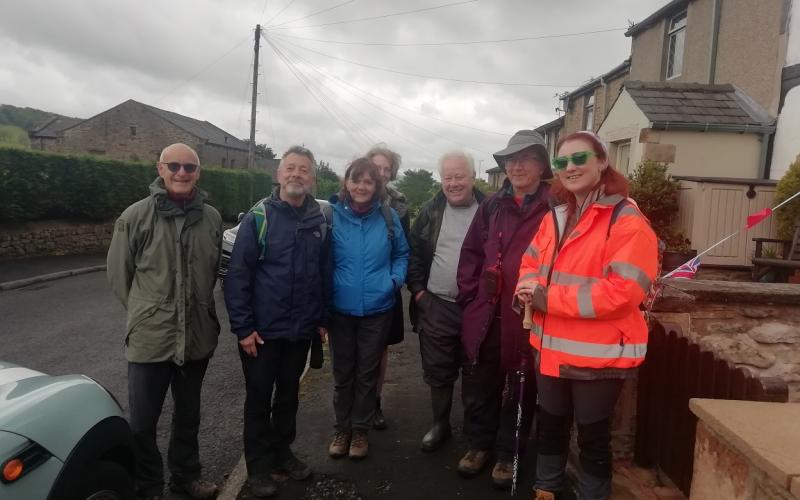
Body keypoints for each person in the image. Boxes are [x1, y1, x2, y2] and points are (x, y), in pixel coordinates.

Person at [515, 131, 658, 500]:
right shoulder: (557, 216)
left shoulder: (626, 220)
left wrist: (547, 299)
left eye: (580, 159)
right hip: (549, 348)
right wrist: (528, 287)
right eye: (562, 162)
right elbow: (530, 261)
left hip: (599, 354)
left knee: (593, 440)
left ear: (602, 161)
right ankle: (546, 490)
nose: (571, 168)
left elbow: (623, 292)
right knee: (550, 428)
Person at [107, 143, 222, 500]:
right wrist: (149, 312)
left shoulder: (213, 218)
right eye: (174, 166)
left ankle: (186, 477)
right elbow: (119, 277)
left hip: (197, 338)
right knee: (142, 422)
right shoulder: (135, 216)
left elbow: (214, 270)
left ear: (198, 173)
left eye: (190, 167)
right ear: (160, 168)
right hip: (150, 339)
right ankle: (149, 485)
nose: (182, 172)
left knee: (188, 417)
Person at [224, 146, 331, 498]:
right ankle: (257, 468)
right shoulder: (259, 217)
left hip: (299, 331)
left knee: (288, 397)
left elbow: (321, 274)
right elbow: (237, 275)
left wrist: (320, 319)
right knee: (258, 400)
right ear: (278, 174)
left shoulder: (318, 220)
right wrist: (243, 328)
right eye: (290, 168)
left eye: (304, 170)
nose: (296, 174)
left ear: (312, 178)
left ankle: (282, 454)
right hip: (263, 333)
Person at [456, 130, 552, 489]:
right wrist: (470, 299)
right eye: (511, 160)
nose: (516, 165)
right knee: (481, 382)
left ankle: (508, 453)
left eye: (525, 158)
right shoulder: (492, 205)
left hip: (528, 314)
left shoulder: (555, 207)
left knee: (521, 387)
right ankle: (478, 445)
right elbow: (471, 254)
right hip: (486, 312)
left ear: (541, 165)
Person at [328, 157, 409, 460]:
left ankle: (360, 430)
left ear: (377, 186)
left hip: (378, 309)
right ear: (346, 183)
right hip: (340, 310)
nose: (361, 186)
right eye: (356, 180)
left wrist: (393, 281)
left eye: (368, 181)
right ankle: (342, 428)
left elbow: (402, 254)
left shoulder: (388, 217)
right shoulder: (331, 216)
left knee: (367, 373)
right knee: (342, 374)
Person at [407, 151, 485, 452]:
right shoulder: (430, 211)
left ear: (473, 178)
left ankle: (474, 434)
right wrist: (419, 293)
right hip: (436, 304)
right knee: (438, 371)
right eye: (447, 177)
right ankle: (440, 425)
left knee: (475, 371)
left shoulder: (489, 210)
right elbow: (413, 253)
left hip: (477, 306)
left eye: (459, 176)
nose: (453, 183)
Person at [365, 144, 410, 430]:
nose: (381, 174)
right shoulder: (350, 197)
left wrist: (393, 281)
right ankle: (351, 405)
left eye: (386, 169)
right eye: (376, 167)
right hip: (354, 290)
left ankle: (374, 402)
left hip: (385, 292)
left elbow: (403, 251)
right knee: (350, 352)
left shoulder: (400, 206)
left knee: (380, 351)